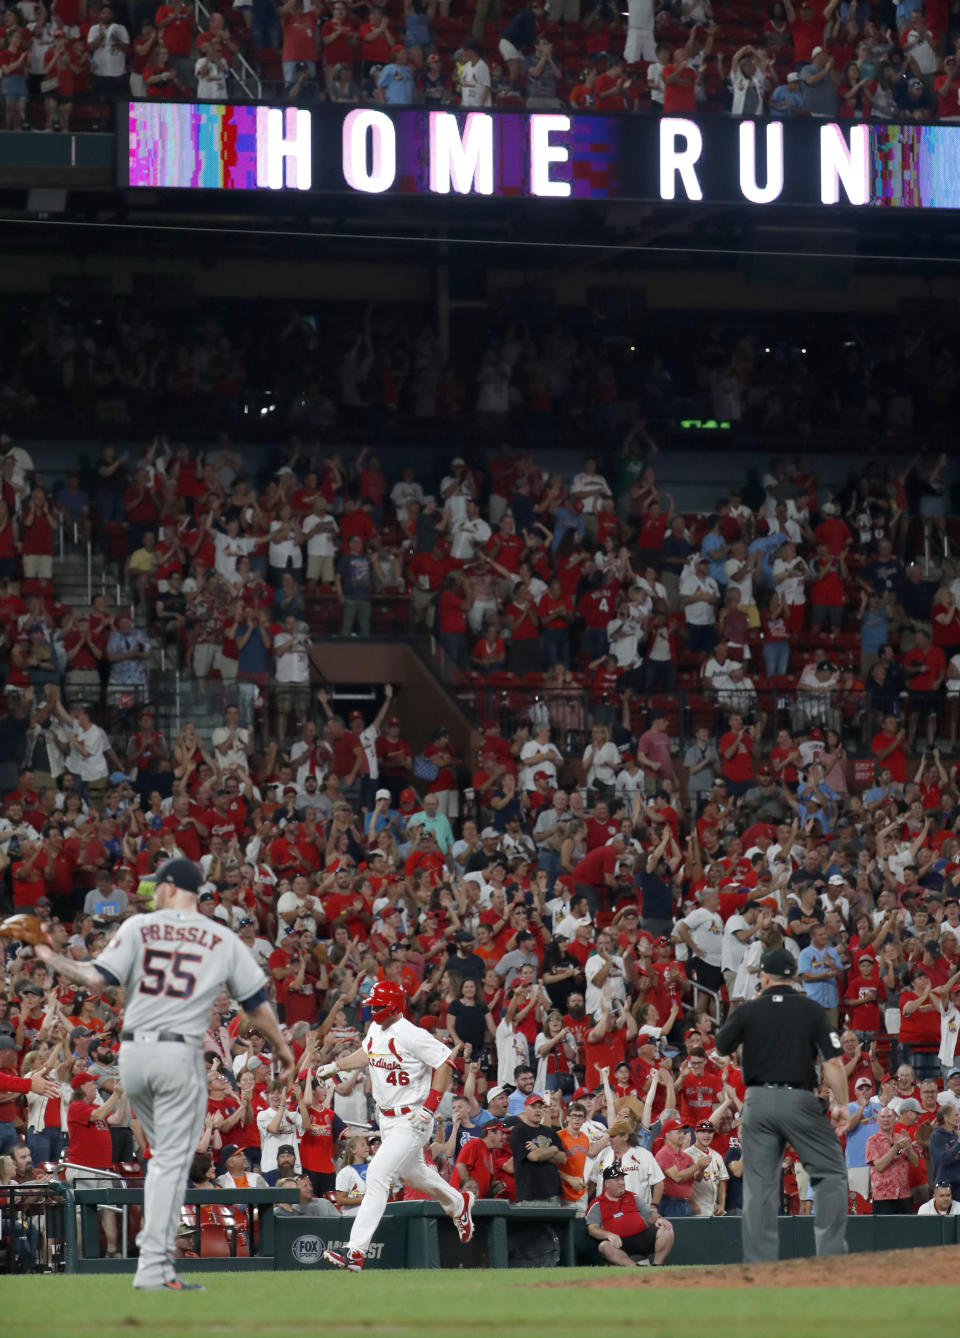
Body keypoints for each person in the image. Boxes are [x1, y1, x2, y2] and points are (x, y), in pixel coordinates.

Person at [36, 856, 294, 1291]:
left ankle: (155, 1263)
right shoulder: (218, 936)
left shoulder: (140, 927)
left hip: (133, 1056)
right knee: (172, 1162)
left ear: (175, 887)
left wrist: (50, 956)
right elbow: (255, 1003)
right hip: (177, 1054)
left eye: (158, 884)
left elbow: (95, 978)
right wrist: (284, 1047)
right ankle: (154, 1265)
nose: (152, 890)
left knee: (165, 1159)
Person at [315, 979, 474, 1271]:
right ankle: (459, 1203)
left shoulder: (412, 1034)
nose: (372, 1009)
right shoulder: (376, 1028)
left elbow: (444, 1065)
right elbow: (368, 1053)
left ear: (393, 1006)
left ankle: (355, 1251)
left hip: (412, 1117)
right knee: (414, 1176)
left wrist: (429, 1108)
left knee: (376, 1174)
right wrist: (338, 1066)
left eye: (377, 1005)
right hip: (386, 1117)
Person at [714, 946, 848, 1262]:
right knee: (829, 1173)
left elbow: (722, 1045)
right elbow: (833, 1063)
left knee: (758, 1186)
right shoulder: (812, 1009)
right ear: (795, 977)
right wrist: (842, 1103)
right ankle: (831, 1261)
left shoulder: (749, 1009)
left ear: (763, 975)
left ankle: (761, 1269)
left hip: (757, 1101)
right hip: (799, 1099)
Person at [585, 1163, 675, 1267]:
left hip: (641, 1237)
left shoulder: (632, 1196)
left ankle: (657, 1266)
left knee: (667, 1228)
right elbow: (592, 1229)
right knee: (604, 1246)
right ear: (606, 1183)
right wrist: (608, 1235)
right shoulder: (597, 1203)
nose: (621, 1182)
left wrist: (659, 1218)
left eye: (622, 1179)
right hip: (619, 1242)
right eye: (617, 1180)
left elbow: (649, 1214)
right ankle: (636, 1267)